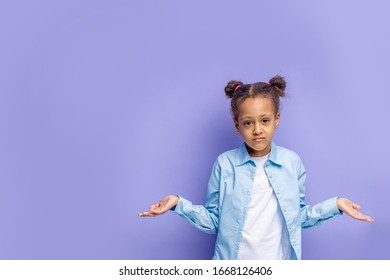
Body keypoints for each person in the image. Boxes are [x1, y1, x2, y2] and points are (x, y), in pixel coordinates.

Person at [138, 75, 374, 260]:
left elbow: (297, 218)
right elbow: (214, 222)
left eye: (265, 121)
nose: (257, 130)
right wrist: (178, 203)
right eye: (248, 123)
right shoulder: (225, 164)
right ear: (236, 124)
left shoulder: (292, 163)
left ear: (277, 120)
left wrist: (335, 205)